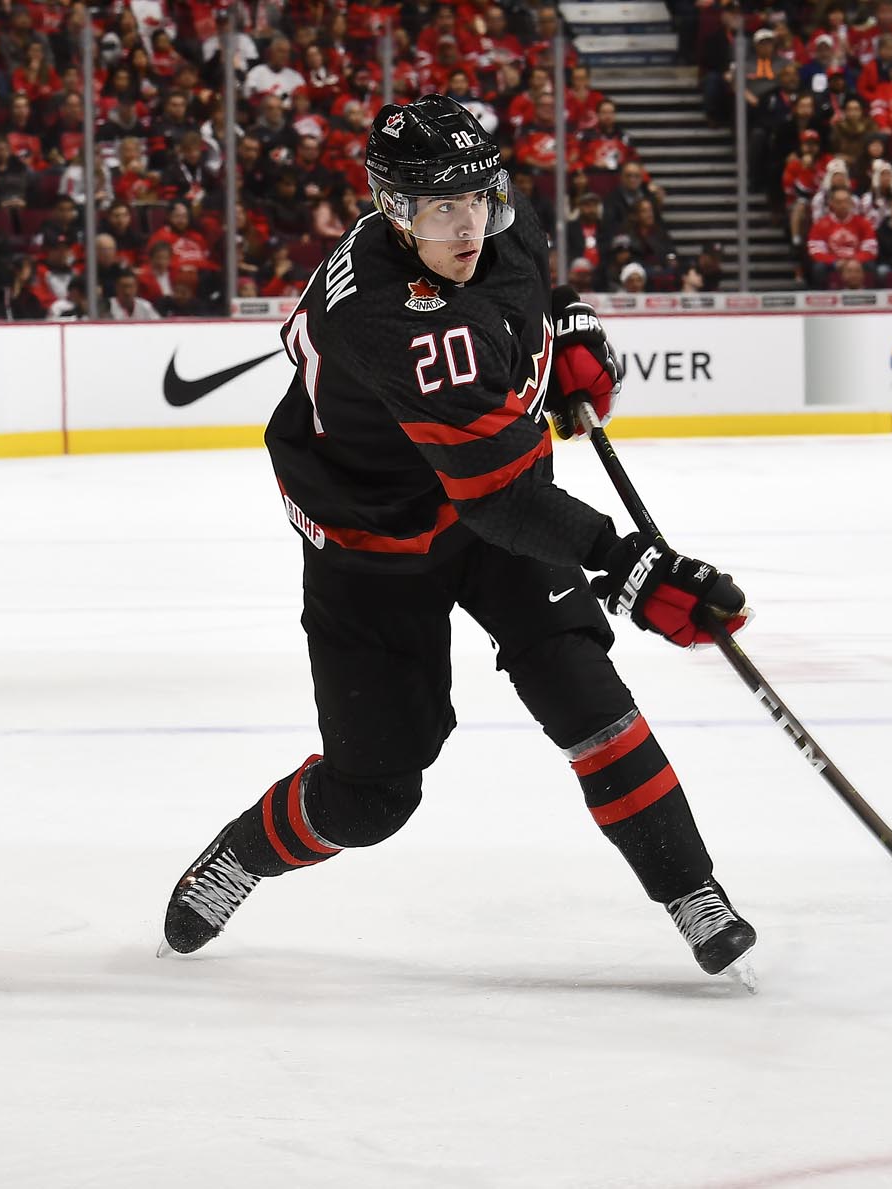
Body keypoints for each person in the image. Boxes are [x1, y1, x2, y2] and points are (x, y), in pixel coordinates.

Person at [159, 96, 759, 983]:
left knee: (584, 690)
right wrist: (629, 565)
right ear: (392, 210)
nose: (468, 224)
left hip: (483, 502)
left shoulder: (494, 232)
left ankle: (692, 892)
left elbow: (524, 300)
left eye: (477, 199)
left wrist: (566, 330)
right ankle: (244, 852)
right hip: (375, 543)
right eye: (441, 208)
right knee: (374, 793)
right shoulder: (390, 318)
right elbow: (502, 501)